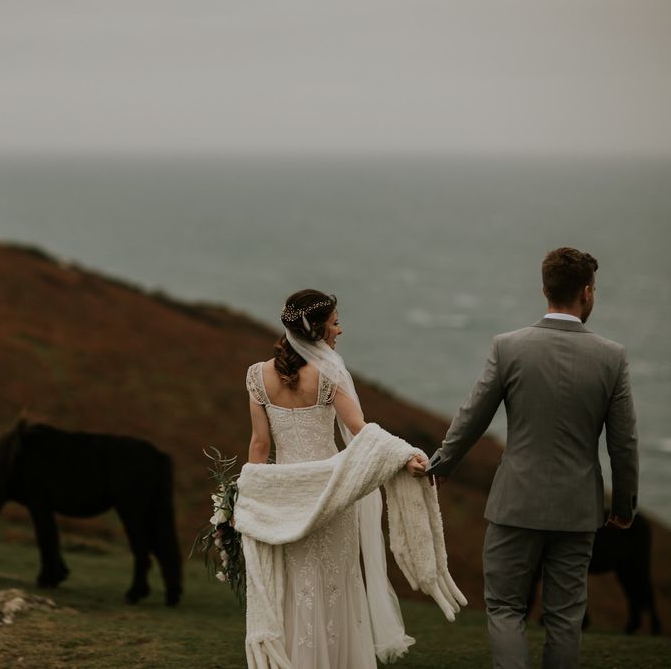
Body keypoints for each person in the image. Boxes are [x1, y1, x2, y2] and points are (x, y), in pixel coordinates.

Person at [424, 247, 638, 669]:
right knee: (565, 618)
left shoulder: (509, 347)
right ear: (588, 292)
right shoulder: (612, 357)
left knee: (505, 608)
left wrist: (442, 465)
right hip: (578, 511)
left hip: (515, 504)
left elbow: (473, 416)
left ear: (545, 289)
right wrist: (626, 505)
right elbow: (624, 442)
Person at [245, 289, 428, 669]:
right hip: (331, 496)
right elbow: (359, 429)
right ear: (317, 329)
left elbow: (259, 447)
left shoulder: (258, 376)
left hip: (286, 500)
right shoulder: (329, 373)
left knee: (294, 587)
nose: (339, 330)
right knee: (335, 586)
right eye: (335, 322)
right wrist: (403, 455)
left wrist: (251, 502)